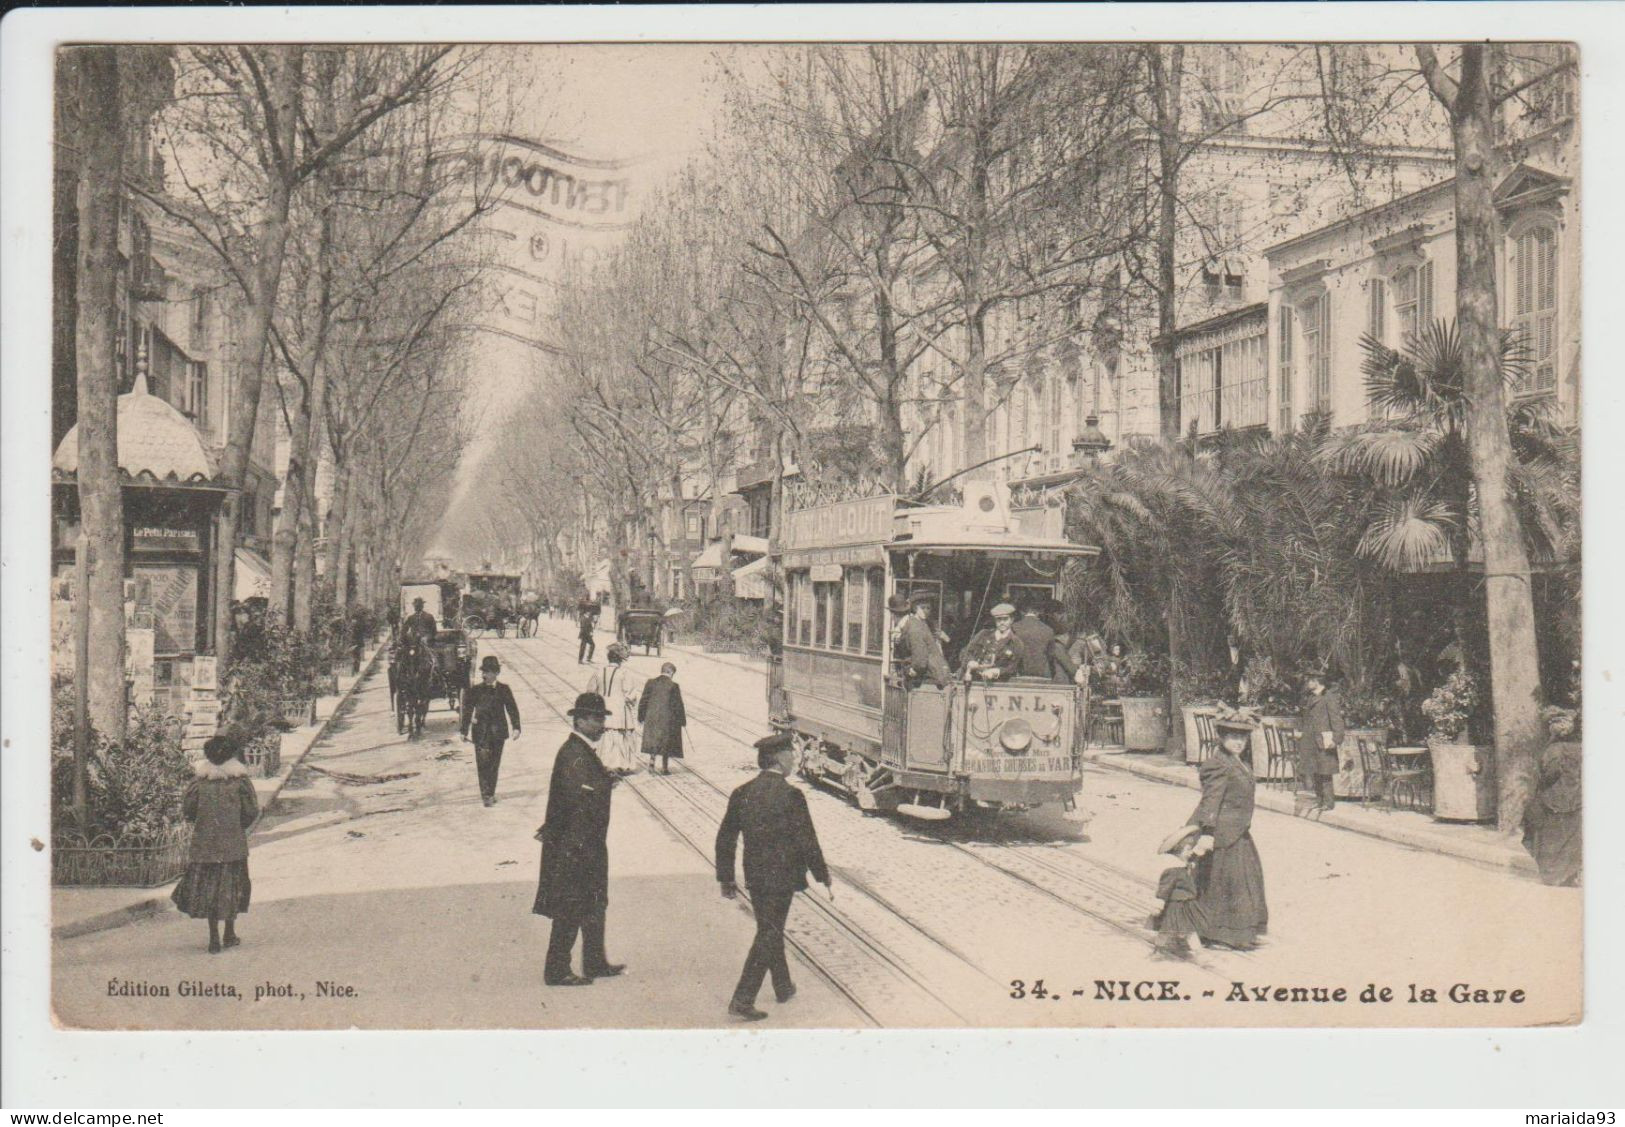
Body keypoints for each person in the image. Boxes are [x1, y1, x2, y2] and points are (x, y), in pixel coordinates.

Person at [715, 732, 832, 1021]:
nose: (794, 758)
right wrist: (822, 875)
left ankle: (782, 986)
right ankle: (742, 999)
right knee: (769, 932)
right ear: (779, 760)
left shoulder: (742, 793)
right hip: (783, 878)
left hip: (755, 875)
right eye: (791, 754)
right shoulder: (792, 795)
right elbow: (808, 841)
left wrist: (726, 878)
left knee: (770, 926)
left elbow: (725, 839)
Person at [533, 692, 625, 986]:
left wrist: (605, 779)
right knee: (570, 906)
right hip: (576, 846)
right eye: (597, 719)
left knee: (595, 902)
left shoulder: (581, 751)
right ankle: (557, 970)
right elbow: (577, 798)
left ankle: (595, 962)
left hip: (588, 843)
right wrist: (603, 784)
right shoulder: (572, 753)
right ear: (581, 720)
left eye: (602, 719)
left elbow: (586, 787)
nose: (602, 725)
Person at [171, 736, 259, 953]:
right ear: (231, 755)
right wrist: (237, 827)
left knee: (210, 889)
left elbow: (189, 811)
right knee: (231, 887)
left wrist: (204, 823)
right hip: (233, 844)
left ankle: (213, 938)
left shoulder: (199, 783)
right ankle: (229, 933)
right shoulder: (241, 782)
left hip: (205, 844)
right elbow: (251, 812)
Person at [1188, 719, 1268, 950]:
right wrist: (1208, 832)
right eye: (1233, 737)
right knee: (1225, 883)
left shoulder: (1237, 762)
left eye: (1242, 738)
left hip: (1238, 831)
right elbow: (1211, 800)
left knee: (1242, 881)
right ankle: (1219, 935)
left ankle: (1238, 932)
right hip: (1222, 833)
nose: (1239, 743)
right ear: (1221, 738)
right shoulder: (1218, 764)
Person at [460, 655, 521, 806]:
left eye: (487, 672)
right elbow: (467, 710)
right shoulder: (476, 690)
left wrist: (516, 727)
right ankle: (486, 795)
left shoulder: (504, 690)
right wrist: (463, 730)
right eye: (483, 672)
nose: (484, 675)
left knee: (494, 764)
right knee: (483, 764)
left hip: (498, 734)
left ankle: (491, 792)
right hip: (480, 733)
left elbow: (512, 709)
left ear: (495, 673)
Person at [1522, 740, 1581, 887]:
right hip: (1576, 799)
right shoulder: (1582, 747)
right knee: (1570, 840)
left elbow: (1548, 774)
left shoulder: (1554, 749)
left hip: (1554, 798)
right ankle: (1569, 875)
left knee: (1549, 839)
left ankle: (1551, 875)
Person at [1149, 824, 1206, 960]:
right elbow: (1165, 888)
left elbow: (1193, 858)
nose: (1190, 853)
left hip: (1186, 904)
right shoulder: (1173, 869)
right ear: (1181, 851)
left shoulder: (1182, 863)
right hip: (1175, 906)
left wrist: (1200, 849)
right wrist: (1159, 903)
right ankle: (1158, 950)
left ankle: (1198, 952)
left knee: (1189, 929)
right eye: (1188, 850)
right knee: (1168, 929)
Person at [1297, 667, 1346, 814]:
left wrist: (1337, 738)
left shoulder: (1328, 697)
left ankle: (1328, 802)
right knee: (1314, 770)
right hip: (1310, 740)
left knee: (1325, 771)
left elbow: (1336, 719)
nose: (1307, 684)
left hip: (1324, 739)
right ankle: (1319, 800)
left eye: (1309, 681)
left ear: (1316, 681)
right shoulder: (1311, 697)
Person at [590, 643, 641, 772]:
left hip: (602, 709)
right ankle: (620, 765)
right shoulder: (624, 673)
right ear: (619, 660)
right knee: (620, 736)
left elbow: (590, 692)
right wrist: (631, 701)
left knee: (604, 735)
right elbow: (630, 694)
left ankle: (602, 763)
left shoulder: (599, 672)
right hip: (619, 710)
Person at [889, 593, 952, 689]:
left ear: (893, 615)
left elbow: (920, 663)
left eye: (928, 608)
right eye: (923, 608)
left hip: (929, 682)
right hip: (936, 677)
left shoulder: (914, 628)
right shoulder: (917, 624)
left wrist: (909, 672)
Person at [638, 661, 687, 774]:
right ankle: (665, 767)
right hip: (667, 719)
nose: (672, 676)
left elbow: (643, 700)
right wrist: (682, 720)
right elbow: (678, 705)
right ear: (670, 672)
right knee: (666, 742)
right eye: (672, 674)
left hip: (652, 717)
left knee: (654, 740)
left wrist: (641, 716)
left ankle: (651, 763)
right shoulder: (674, 686)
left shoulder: (650, 682)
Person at [959, 602, 1023, 682]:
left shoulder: (1015, 642)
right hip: (975, 681)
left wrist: (997, 671)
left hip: (997, 685)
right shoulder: (983, 635)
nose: (1002, 622)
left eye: (1005, 619)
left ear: (1012, 620)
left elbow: (1013, 667)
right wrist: (970, 661)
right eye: (999, 619)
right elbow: (965, 652)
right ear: (995, 620)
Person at [1010, 601, 1058, 678]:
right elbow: (1051, 655)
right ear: (1038, 612)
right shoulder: (1049, 629)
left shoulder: (1014, 627)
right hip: (1042, 673)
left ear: (1022, 612)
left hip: (1019, 673)